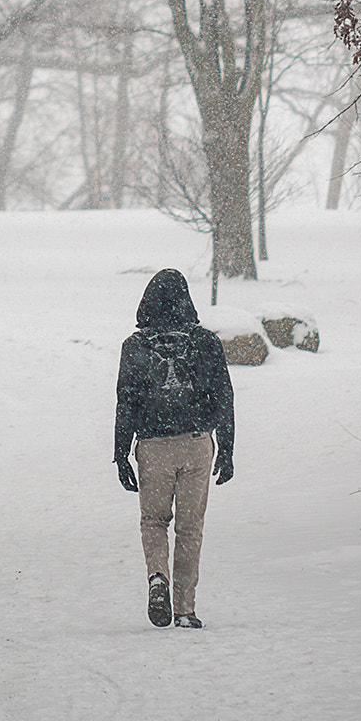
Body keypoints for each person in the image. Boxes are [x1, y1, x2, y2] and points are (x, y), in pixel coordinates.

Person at [114, 268, 234, 629]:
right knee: (190, 527)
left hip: (152, 446)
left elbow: (126, 401)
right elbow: (224, 397)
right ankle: (184, 609)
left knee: (154, 521)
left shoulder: (135, 346)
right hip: (196, 444)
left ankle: (157, 577)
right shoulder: (206, 342)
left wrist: (121, 454)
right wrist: (226, 447)